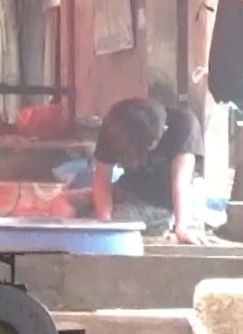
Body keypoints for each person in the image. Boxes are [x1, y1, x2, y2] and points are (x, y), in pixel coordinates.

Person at [87, 97, 209, 242]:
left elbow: (180, 182)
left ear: (160, 136)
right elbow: (102, 177)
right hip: (130, 190)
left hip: (166, 202)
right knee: (64, 205)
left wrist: (181, 227)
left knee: (114, 221)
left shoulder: (185, 125)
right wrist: (104, 222)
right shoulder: (115, 126)